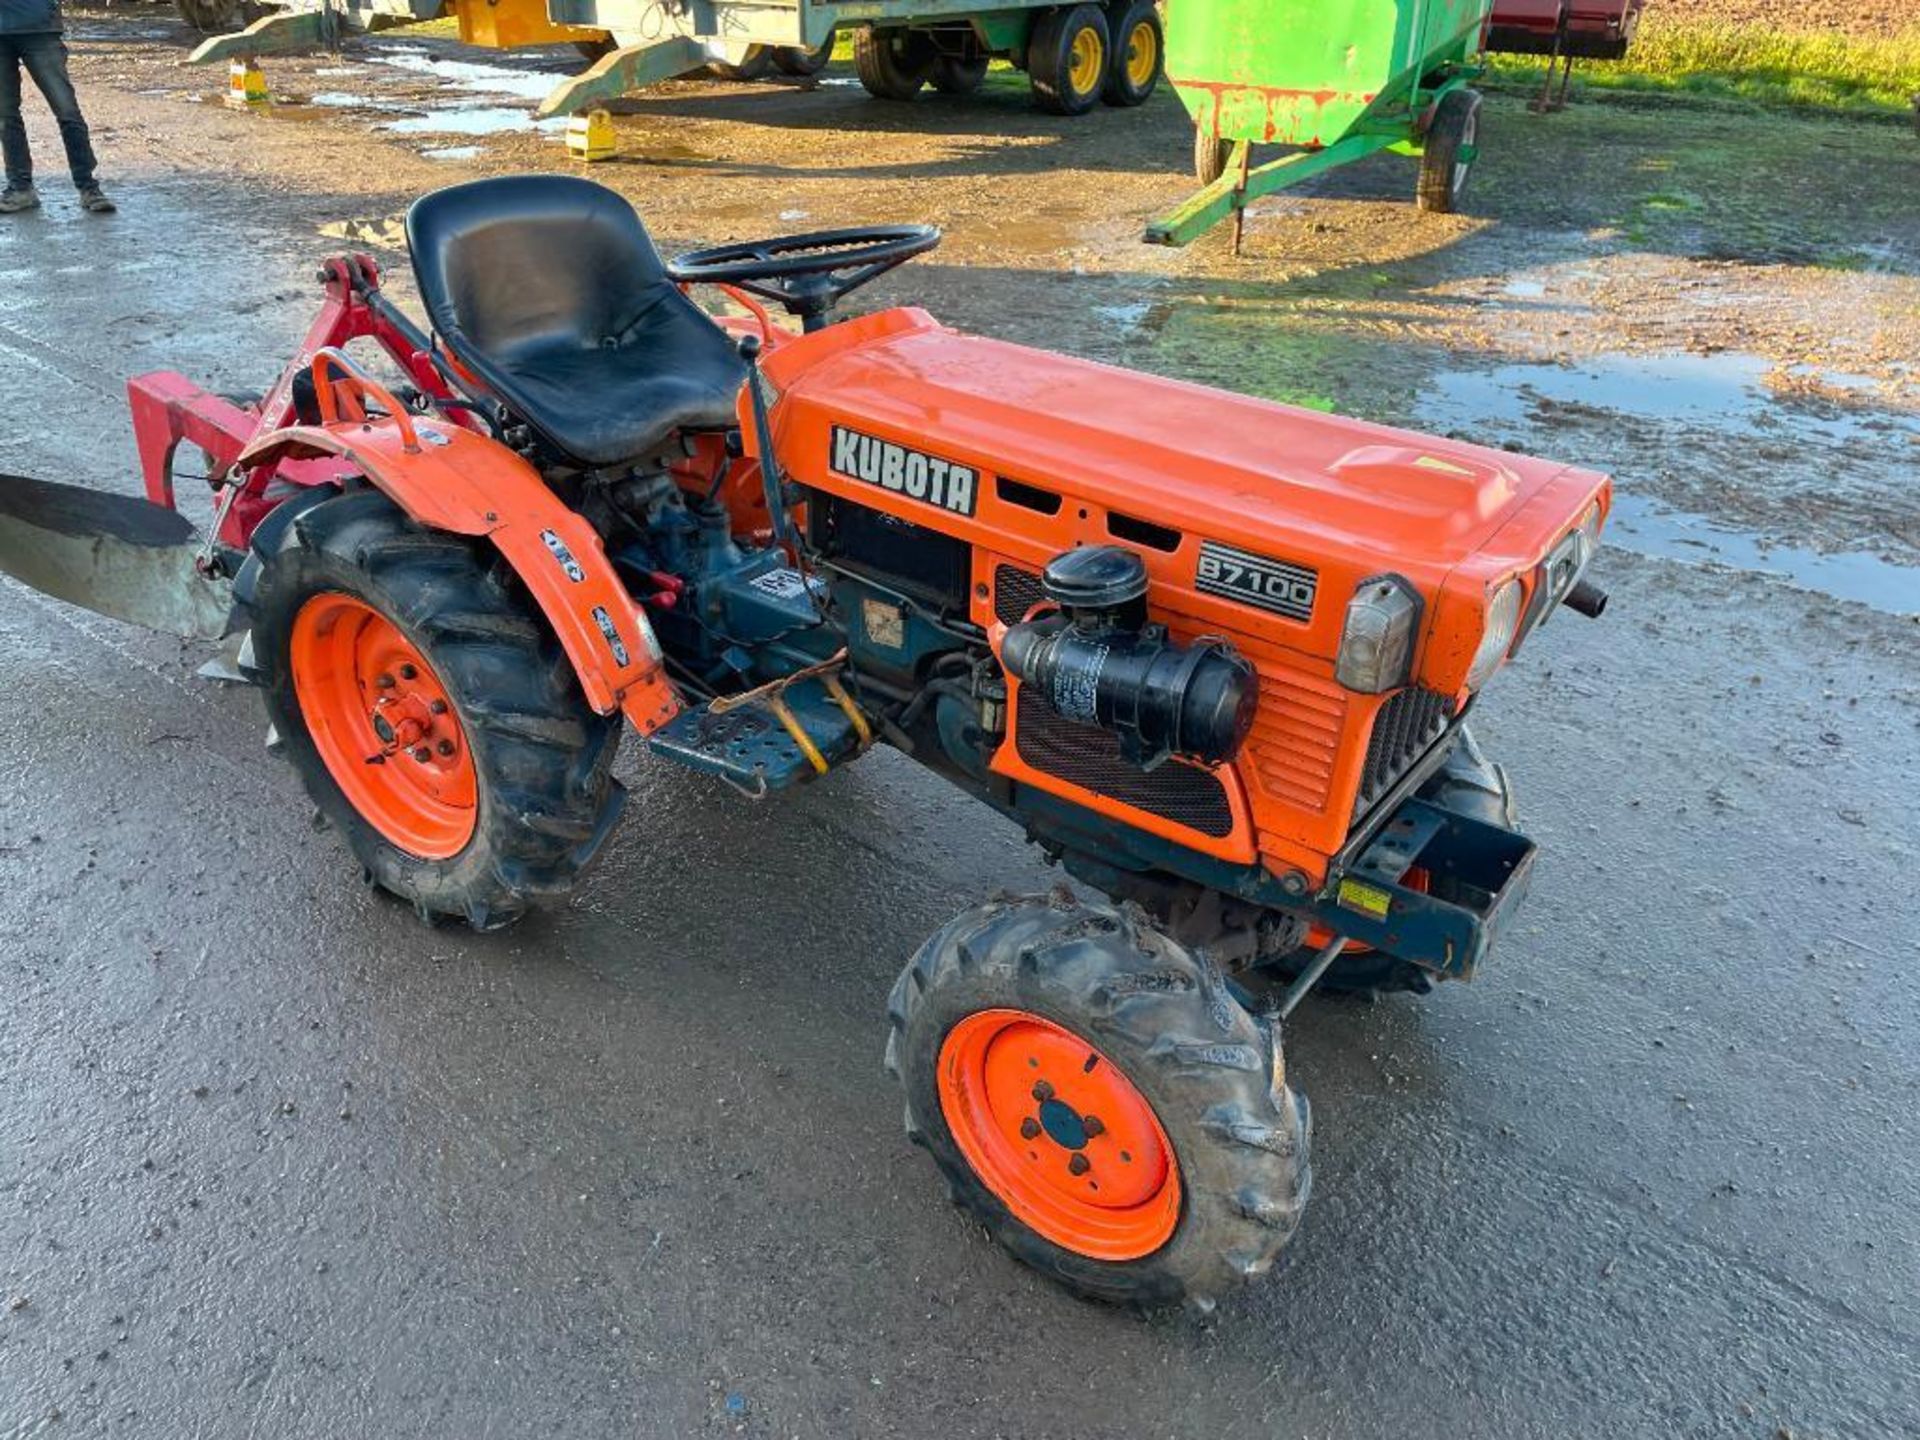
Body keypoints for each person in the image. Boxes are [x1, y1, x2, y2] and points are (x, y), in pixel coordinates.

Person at [1, 0, 114, 214]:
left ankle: (88, 187)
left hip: (39, 26)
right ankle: (20, 189)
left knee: (67, 111)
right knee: (5, 117)